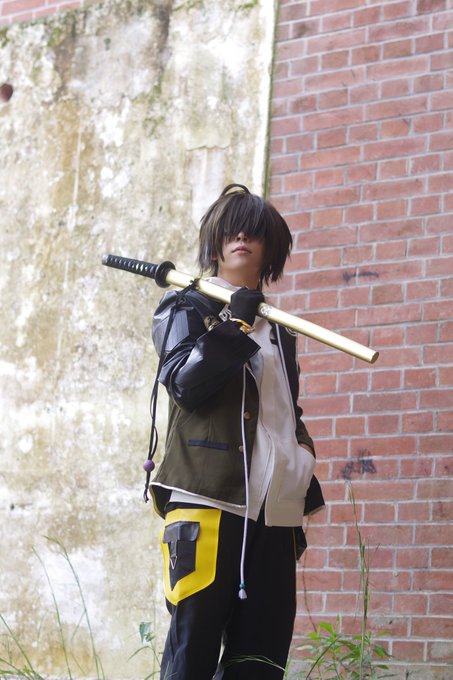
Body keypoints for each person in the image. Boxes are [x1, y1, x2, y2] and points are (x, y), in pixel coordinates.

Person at [145, 184, 325, 680]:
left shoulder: (281, 331)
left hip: (274, 513)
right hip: (209, 502)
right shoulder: (185, 306)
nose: (241, 237)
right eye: (231, 230)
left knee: (261, 661)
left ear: (271, 249)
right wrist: (233, 326)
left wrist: (302, 454)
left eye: (253, 231)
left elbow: (285, 411)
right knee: (192, 655)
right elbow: (184, 384)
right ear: (216, 243)